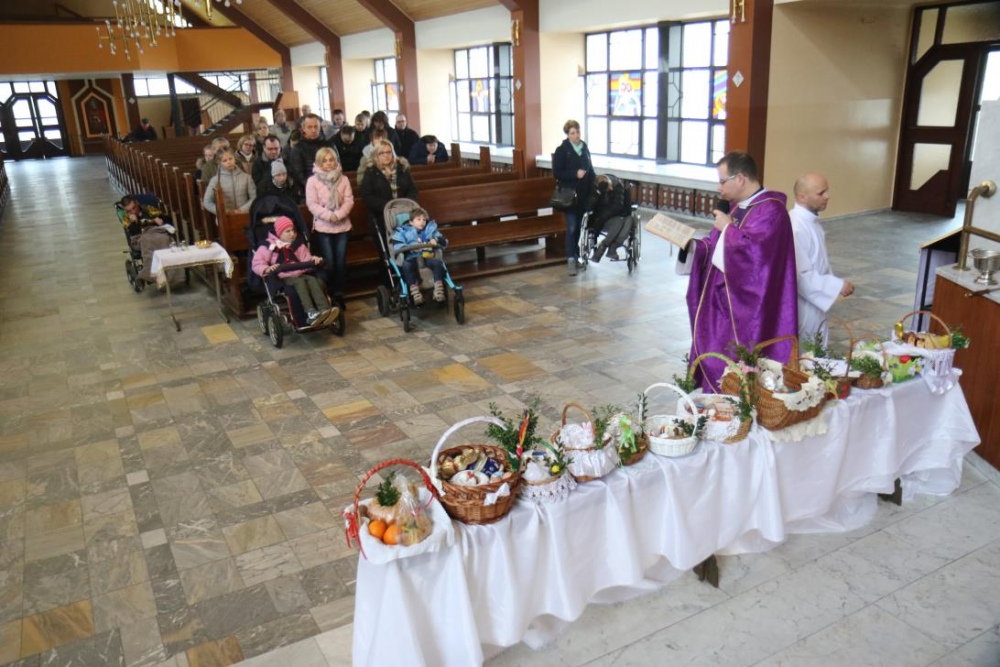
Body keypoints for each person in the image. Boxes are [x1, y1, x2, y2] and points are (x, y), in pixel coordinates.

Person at [681, 151, 799, 391]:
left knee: (734, 363)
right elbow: (715, 245)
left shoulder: (772, 211)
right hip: (722, 303)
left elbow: (756, 259)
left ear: (741, 179)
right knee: (714, 355)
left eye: (722, 181)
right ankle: (716, 400)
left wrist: (728, 229)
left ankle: (739, 401)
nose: (719, 187)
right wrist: (693, 247)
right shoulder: (736, 209)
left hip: (748, 309)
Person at [790, 172, 854, 343]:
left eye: (826, 191)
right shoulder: (796, 227)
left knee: (816, 344)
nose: (827, 196)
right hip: (802, 304)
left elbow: (819, 261)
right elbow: (800, 275)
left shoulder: (810, 222)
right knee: (807, 349)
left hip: (813, 300)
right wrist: (836, 285)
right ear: (802, 197)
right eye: (821, 193)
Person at [252, 216, 337, 325]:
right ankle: (310, 312)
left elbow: (306, 259)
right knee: (299, 282)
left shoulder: (298, 245)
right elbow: (257, 263)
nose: (292, 234)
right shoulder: (268, 246)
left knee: (313, 280)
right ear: (279, 233)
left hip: (300, 273)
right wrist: (266, 269)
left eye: (293, 230)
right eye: (288, 231)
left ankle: (324, 309)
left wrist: (314, 260)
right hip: (283, 277)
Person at [305, 147, 354, 307]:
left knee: (340, 262)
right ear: (319, 162)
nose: (328, 163)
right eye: (324, 160)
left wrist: (338, 215)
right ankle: (328, 292)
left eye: (331, 160)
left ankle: (339, 292)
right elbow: (312, 204)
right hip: (323, 227)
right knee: (329, 262)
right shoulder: (313, 181)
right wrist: (328, 215)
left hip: (342, 226)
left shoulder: (343, 179)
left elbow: (349, 201)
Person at [551, 119, 596, 276]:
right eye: (573, 133)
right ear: (568, 135)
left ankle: (576, 254)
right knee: (571, 227)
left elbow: (590, 169)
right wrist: (574, 174)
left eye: (578, 132)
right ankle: (570, 258)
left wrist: (597, 182)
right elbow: (557, 172)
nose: (576, 135)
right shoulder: (562, 150)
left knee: (579, 227)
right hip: (569, 196)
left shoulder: (584, 148)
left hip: (583, 195)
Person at [391, 207, 449, 305]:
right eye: (418, 219)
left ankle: (438, 288)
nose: (422, 222)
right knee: (406, 265)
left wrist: (436, 240)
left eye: (424, 220)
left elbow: (444, 240)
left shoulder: (430, 229)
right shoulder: (403, 231)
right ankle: (415, 292)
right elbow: (397, 244)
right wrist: (408, 247)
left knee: (438, 263)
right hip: (411, 257)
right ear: (411, 222)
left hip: (426, 256)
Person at [359, 139, 418, 235]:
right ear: (376, 155)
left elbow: (412, 189)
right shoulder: (371, 172)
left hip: (404, 212)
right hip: (381, 215)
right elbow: (367, 196)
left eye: (388, 152)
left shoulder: (402, 168)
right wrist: (389, 207)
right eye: (382, 153)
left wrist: (406, 204)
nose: (386, 155)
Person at [118, 194, 175, 282]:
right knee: (147, 240)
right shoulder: (126, 218)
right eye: (129, 211)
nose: (133, 211)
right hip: (139, 238)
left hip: (156, 234)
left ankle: (171, 271)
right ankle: (151, 273)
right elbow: (133, 232)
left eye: (134, 208)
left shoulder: (148, 209)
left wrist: (159, 220)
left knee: (165, 239)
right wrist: (135, 222)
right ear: (126, 210)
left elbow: (166, 220)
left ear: (137, 203)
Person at [584, 174, 632, 262]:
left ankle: (605, 246)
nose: (611, 189)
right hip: (603, 219)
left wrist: (603, 217)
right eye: (608, 187)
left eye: (610, 186)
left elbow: (618, 207)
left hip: (612, 216)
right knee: (620, 221)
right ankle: (611, 248)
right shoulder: (596, 189)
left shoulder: (618, 187)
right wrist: (598, 193)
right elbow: (588, 207)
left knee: (627, 220)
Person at [288, 114, 335, 193]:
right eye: (309, 127)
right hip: (308, 190)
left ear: (320, 127)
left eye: (316, 127)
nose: (313, 130)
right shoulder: (297, 149)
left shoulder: (330, 145)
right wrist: (316, 188)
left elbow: (337, 167)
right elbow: (299, 175)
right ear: (303, 128)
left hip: (330, 187)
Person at [203, 148, 256, 215]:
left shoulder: (247, 177)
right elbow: (207, 202)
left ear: (234, 159)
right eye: (224, 160)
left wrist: (241, 210)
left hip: (244, 214)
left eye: (230, 159)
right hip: (224, 216)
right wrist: (223, 211)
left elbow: (254, 197)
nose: (229, 162)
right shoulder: (215, 180)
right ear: (220, 163)